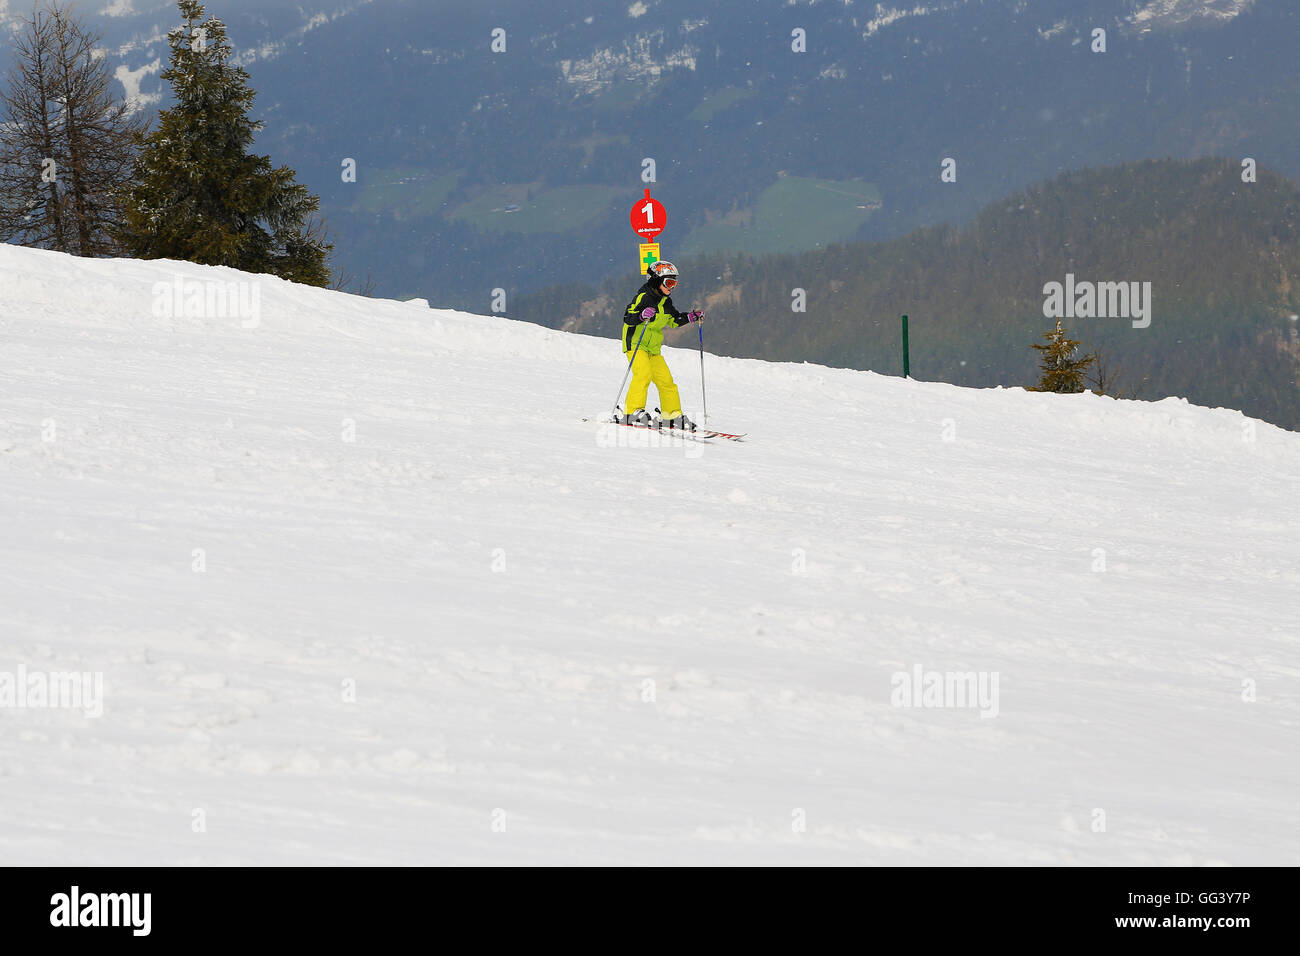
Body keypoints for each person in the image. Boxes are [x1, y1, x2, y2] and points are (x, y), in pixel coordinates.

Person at [618, 261, 704, 430]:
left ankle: (671, 415)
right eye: (669, 282)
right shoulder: (644, 297)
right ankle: (632, 412)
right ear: (656, 281)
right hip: (635, 343)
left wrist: (691, 317)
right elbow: (628, 317)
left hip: (653, 348)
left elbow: (673, 320)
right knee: (643, 374)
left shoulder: (665, 302)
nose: (672, 287)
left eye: (675, 283)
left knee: (666, 381)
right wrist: (642, 315)